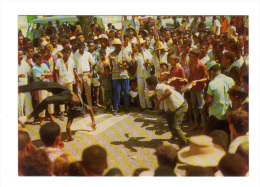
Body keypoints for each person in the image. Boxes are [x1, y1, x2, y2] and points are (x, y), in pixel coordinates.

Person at [18, 82, 96, 141]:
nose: (83, 114)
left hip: (67, 97)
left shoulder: (72, 115)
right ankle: (20, 88)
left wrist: (70, 137)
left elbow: (68, 127)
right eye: (83, 114)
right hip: (66, 90)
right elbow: (91, 110)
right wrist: (93, 122)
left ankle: (28, 116)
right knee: (45, 84)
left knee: (47, 100)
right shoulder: (85, 107)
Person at [146, 76, 188, 147]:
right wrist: (154, 96)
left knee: (176, 126)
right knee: (169, 118)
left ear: (152, 85)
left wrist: (159, 101)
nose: (146, 86)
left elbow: (169, 92)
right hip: (174, 107)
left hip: (180, 106)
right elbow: (172, 88)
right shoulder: (158, 88)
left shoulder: (160, 87)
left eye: (147, 85)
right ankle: (175, 136)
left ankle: (184, 144)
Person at [205, 61, 234, 137]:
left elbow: (208, 100)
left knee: (213, 137)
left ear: (211, 72)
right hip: (228, 113)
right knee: (225, 136)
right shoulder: (231, 80)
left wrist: (207, 107)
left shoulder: (212, 83)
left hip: (216, 115)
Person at [55, 46, 79, 120]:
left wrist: (74, 79)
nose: (67, 55)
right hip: (62, 81)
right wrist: (58, 82)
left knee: (70, 96)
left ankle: (69, 110)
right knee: (62, 97)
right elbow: (56, 72)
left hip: (70, 80)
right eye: (66, 53)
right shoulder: (59, 61)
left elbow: (72, 70)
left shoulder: (71, 60)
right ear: (63, 53)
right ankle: (62, 112)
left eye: (69, 53)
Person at [188, 48, 209, 132]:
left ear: (198, 56)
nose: (192, 58)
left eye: (194, 57)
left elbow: (207, 78)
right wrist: (188, 81)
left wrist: (197, 81)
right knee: (194, 106)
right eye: (191, 57)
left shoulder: (202, 65)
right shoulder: (191, 63)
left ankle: (204, 126)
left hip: (200, 89)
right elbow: (191, 74)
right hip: (193, 88)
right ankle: (196, 123)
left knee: (202, 108)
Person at [109, 38, 131, 115]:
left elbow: (129, 64)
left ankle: (126, 108)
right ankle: (116, 108)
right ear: (114, 46)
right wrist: (111, 61)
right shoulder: (111, 54)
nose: (118, 47)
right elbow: (111, 66)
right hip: (115, 76)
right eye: (116, 45)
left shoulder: (124, 53)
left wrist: (126, 61)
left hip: (124, 75)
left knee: (126, 93)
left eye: (119, 45)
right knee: (117, 93)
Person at [32, 53, 54, 125]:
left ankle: (51, 116)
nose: (42, 60)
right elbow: (40, 79)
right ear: (36, 59)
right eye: (40, 59)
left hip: (47, 85)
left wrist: (43, 74)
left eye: (42, 59)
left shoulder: (44, 65)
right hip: (41, 86)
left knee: (50, 101)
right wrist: (45, 74)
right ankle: (41, 119)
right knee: (42, 102)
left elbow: (50, 73)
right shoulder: (34, 68)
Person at [73, 41, 96, 107]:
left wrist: (91, 72)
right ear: (78, 47)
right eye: (80, 48)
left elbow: (93, 63)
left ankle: (90, 108)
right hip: (79, 75)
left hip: (87, 75)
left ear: (84, 47)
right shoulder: (75, 55)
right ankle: (81, 109)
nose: (81, 49)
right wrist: (77, 77)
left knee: (88, 93)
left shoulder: (88, 54)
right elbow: (74, 68)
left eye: (82, 47)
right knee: (79, 93)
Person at [131, 42, 152, 111]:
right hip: (139, 74)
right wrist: (133, 57)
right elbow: (134, 63)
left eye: (134, 46)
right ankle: (143, 106)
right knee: (141, 90)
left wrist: (148, 63)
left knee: (147, 89)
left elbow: (151, 62)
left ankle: (149, 105)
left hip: (146, 73)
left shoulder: (147, 52)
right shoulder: (135, 54)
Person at [18, 49, 33, 121]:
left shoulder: (24, 64)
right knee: (20, 104)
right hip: (19, 87)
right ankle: (20, 121)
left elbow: (29, 74)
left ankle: (29, 119)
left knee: (28, 102)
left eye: (21, 55)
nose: (20, 56)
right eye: (19, 55)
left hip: (26, 85)